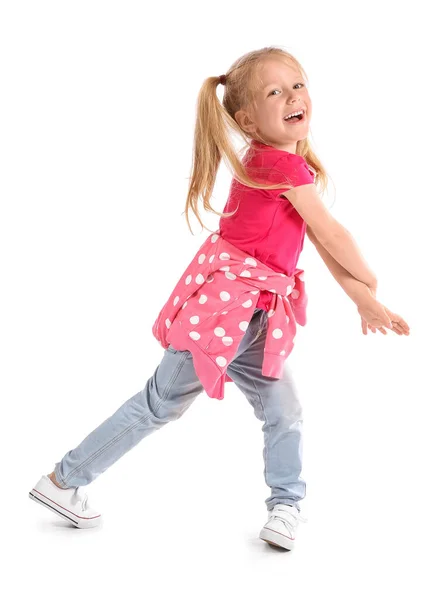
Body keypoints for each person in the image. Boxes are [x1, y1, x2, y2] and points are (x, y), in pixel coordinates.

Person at [28, 46, 410, 551]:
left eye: (298, 84)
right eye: (275, 91)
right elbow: (333, 234)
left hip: (253, 313)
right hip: (225, 311)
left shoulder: (281, 164)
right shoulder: (280, 166)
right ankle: (62, 481)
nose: (294, 96)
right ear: (248, 119)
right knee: (159, 404)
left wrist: (362, 299)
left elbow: (315, 240)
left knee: (284, 410)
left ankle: (285, 506)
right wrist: (373, 285)